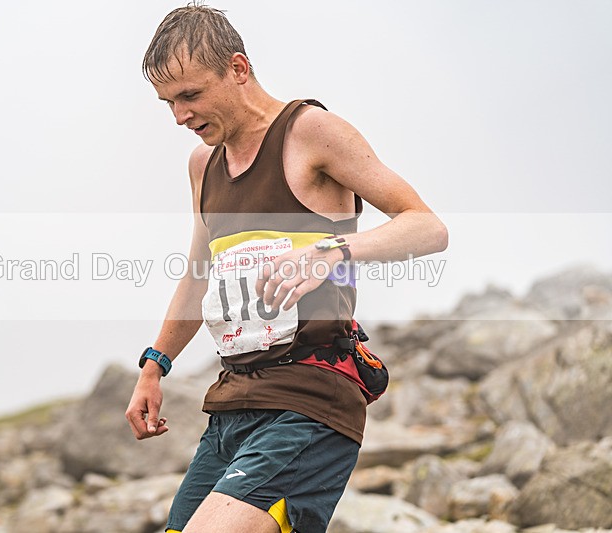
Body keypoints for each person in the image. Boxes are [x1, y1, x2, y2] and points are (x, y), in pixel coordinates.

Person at [125, 4, 448, 533]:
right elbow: (200, 273)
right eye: (168, 103)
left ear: (238, 68)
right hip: (233, 404)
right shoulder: (202, 165)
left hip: (313, 397)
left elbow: (427, 227)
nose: (180, 116)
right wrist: (155, 365)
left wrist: (331, 254)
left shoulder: (312, 132)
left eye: (190, 95)